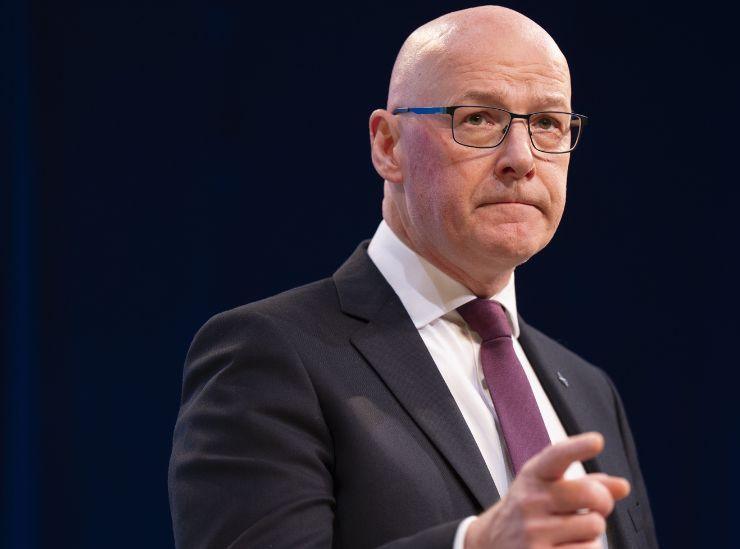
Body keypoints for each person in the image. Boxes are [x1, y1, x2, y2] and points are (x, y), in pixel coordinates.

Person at [168, 6, 658, 549]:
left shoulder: (589, 389)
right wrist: (475, 544)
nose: (521, 157)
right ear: (388, 145)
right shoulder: (272, 354)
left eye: (546, 123)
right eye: (478, 118)